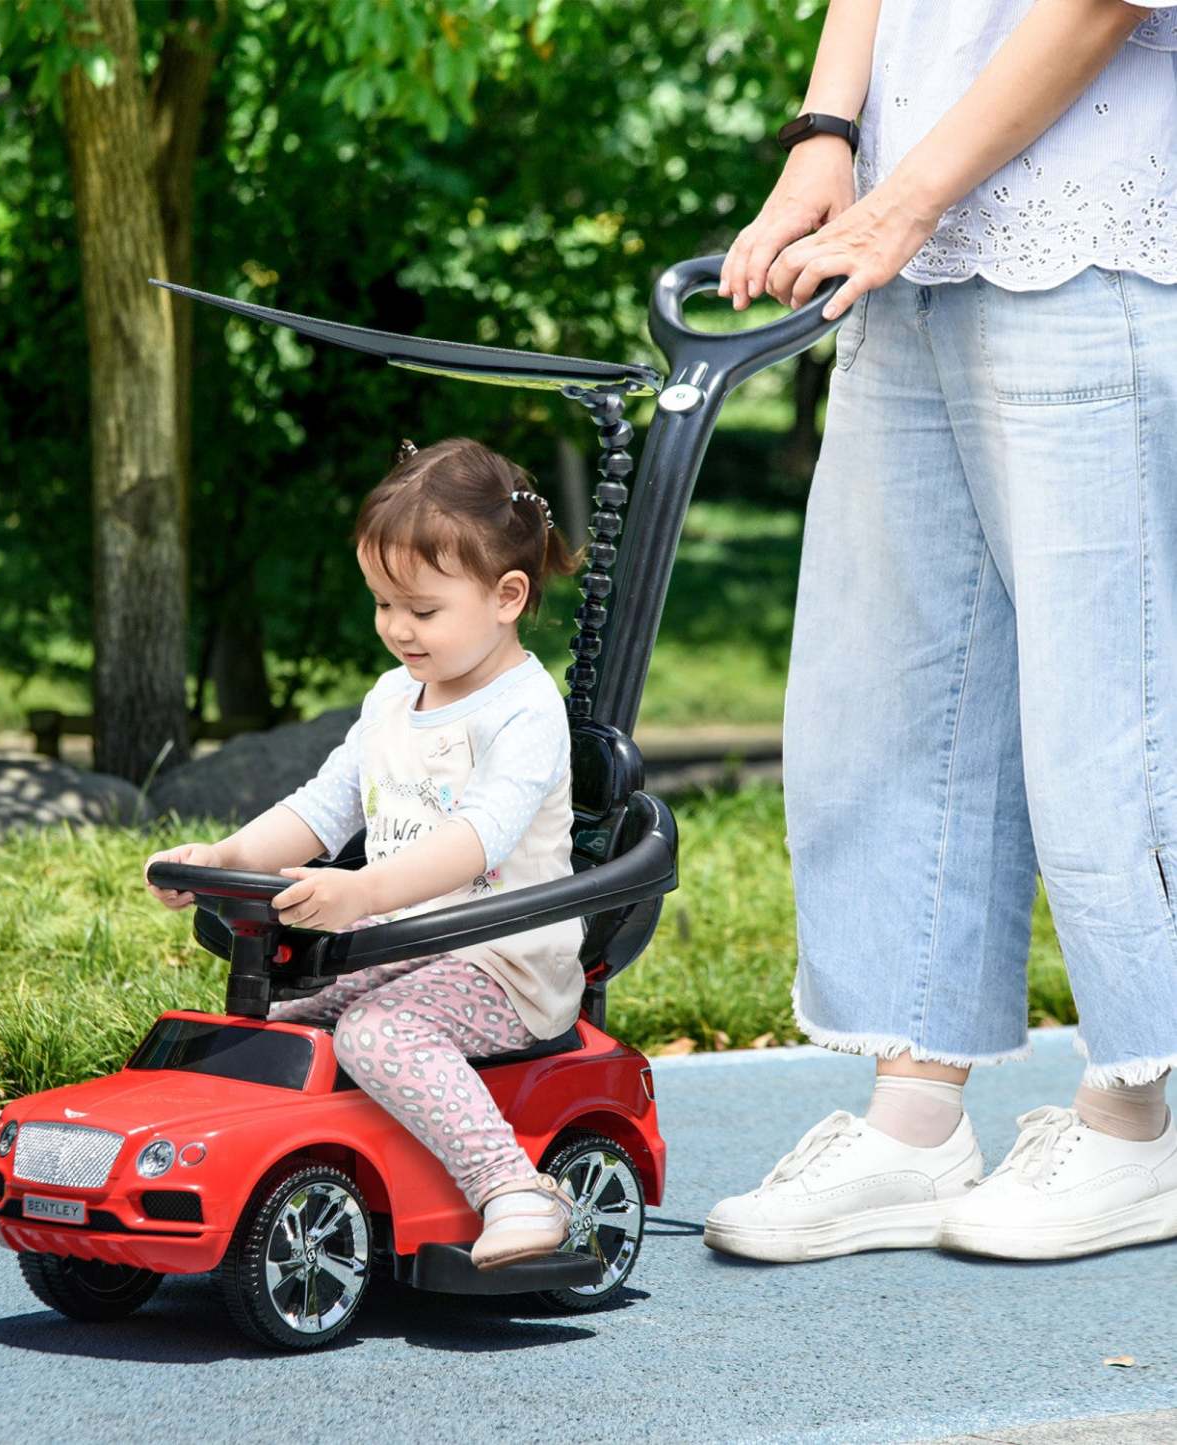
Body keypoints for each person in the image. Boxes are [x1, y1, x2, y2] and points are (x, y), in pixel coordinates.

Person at [704, 0, 1177, 1263]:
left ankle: (1135, 1118)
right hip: (911, 251)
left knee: (1106, 704)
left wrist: (903, 199)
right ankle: (913, 1123)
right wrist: (824, 132)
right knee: (893, 693)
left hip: (1087, 236)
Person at [145, 437, 586, 1270]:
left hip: (501, 961)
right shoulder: (391, 697)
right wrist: (226, 855)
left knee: (378, 1031)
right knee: (276, 1026)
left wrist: (362, 892)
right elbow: (324, 805)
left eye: (421, 609)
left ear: (506, 595)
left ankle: (511, 1188)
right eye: (383, 603)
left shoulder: (524, 711)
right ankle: (270, 1178)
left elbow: (476, 839)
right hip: (399, 943)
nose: (396, 628)